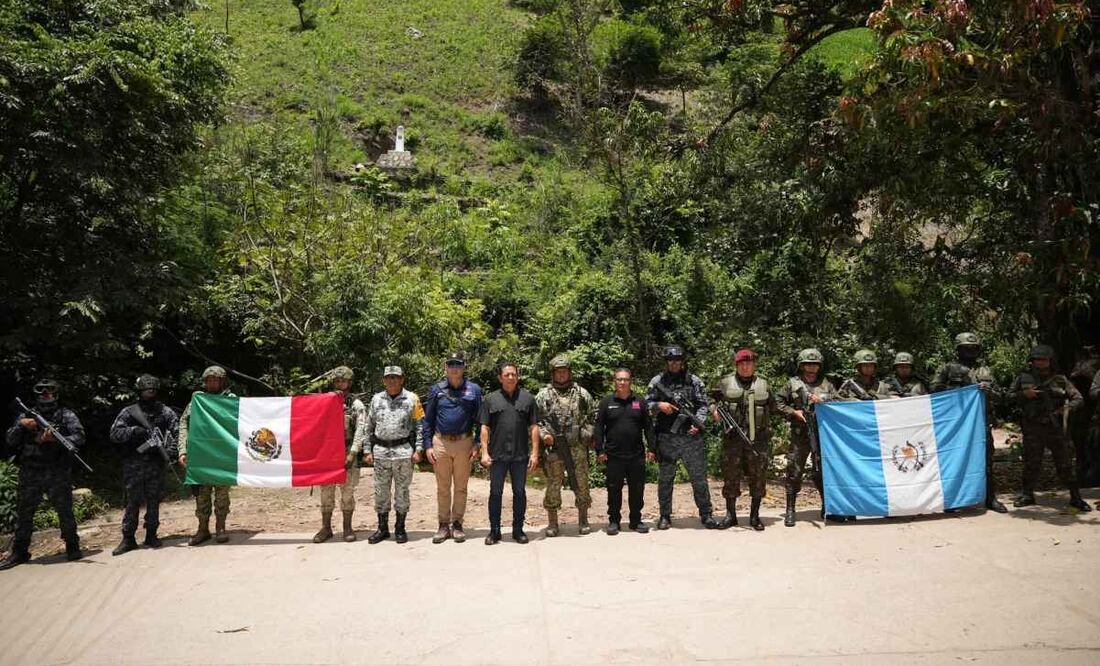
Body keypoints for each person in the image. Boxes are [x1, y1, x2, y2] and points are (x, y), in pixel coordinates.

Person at [0, 380, 85, 570]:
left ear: (56, 394)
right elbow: (10, 440)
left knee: (65, 511)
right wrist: (22, 425)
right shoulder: (25, 416)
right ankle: (19, 552)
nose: (46, 395)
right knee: (24, 513)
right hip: (31, 471)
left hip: (57, 470)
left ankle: (72, 546)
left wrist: (53, 438)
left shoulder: (66, 415)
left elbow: (79, 437)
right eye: (42, 392)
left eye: (50, 392)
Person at [930, 332, 1008, 513]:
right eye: (966, 348)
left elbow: (1001, 397)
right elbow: (934, 390)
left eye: (973, 348)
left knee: (986, 462)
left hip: (981, 423)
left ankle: (990, 498)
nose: (970, 351)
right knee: (954, 461)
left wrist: (989, 391)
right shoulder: (947, 369)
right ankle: (953, 500)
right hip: (956, 425)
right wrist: (961, 389)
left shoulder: (985, 371)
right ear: (958, 350)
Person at [646, 345, 720, 530]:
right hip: (666, 437)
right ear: (666, 362)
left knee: (699, 478)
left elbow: (703, 404)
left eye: (678, 360)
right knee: (665, 479)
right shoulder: (657, 381)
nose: (674, 363)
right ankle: (664, 515)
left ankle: (706, 514)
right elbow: (645, 404)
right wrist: (659, 405)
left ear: (682, 362)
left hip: (691, 437)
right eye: (671, 360)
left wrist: (698, 423)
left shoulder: (693, 381)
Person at [1010, 345, 1091, 512]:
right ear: (1032, 361)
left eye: (1044, 359)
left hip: (1056, 428)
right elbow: (1007, 397)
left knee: (1065, 464)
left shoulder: (1060, 380)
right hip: (1033, 428)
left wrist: (1065, 409)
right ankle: (1027, 494)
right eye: (1037, 359)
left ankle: (1075, 497)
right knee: (1031, 463)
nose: (1040, 362)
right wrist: (1024, 395)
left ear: (1050, 361)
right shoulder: (1023, 378)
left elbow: (1078, 398)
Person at [108, 374, 180, 555]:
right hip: (134, 463)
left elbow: (178, 432)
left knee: (154, 500)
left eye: (153, 391)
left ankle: (151, 534)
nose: (150, 393)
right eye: (147, 391)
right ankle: (128, 538)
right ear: (139, 392)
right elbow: (114, 434)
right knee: (132, 501)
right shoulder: (129, 412)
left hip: (155, 463)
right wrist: (134, 431)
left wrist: (171, 450)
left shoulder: (165, 412)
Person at [356, 365, 424, 544]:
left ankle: (400, 528)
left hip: (403, 451)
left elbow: (420, 426)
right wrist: (367, 450)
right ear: (384, 380)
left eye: (395, 377)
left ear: (402, 379)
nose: (392, 381)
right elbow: (368, 427)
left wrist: (419, 449)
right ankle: (382, 528)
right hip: (381, 452)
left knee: (402, 491)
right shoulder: (376, 399)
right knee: (381, 492)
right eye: (388, 378)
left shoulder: (412, 399)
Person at [423, 352, 483, 544]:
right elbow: (428, 420)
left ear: (464, 367)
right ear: (445, 367)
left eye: (458, 364)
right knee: (443, 487)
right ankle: (443, 525)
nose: (454, 368)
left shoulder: (474, 390)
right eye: (451, 364)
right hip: (440, 442)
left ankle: (457, 524)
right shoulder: (436, 390)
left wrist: (477, 443)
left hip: (465, 442)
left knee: (461, 487)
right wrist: (427, 445)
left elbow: (481, 420)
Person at [711, 349, 775, 531]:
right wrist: (713, 410)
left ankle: (754, 516)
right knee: (731, 476)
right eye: (742, 364)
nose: (745, 367)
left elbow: (775, 406)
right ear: (736, 365)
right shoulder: (725, 382)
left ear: (754, 365)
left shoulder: (764, 384)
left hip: (758, 440)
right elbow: (709, 398)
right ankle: (730, 516)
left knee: (758, 477)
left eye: (749, 363)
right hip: (733, 439)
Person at [535, 355, 595, 537]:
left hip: (577, 447)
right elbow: (535, 421)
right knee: (554, 484)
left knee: (581, 482)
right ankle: (553, 522)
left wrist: (587, 433)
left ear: (570, 372)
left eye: (564, 371)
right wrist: (544, 435)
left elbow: (593, 416)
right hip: (554, 447)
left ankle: (583, 519)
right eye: (558, 372)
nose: (561, 375)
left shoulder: (581, 394)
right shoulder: (543, 395)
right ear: (553, 373)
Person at [479, 363, 539, 545]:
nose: (511, 377)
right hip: (497, 456)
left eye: (514, 374)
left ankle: (518, 530)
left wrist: (535, 453)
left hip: (520, 456)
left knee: (519, 492)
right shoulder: (490, 399)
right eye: (507, 375)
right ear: (500, 378)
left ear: (518, 377)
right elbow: (484, 427)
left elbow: (534, 427)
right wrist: (484, 452)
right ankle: (494, 531)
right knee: (495, 493)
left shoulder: (528, 399)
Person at [776, 348, 835, 526]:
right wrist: (793, 412)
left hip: (822, 433)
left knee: (823, 471)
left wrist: (824, 401)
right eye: (808, 364)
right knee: (794, 471)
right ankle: (790, 509)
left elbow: (839, 402)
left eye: (815, 364)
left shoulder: (826, 384)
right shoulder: (792, 384)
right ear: (801, 366)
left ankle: (827, 506)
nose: (811, 368)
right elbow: (777, 402)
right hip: (800, 434)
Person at [594, 367, 657, 535]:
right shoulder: (606, 402)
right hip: (613, 455)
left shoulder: (640, 402)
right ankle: (614, 521)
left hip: (636, 455)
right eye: (619, 379)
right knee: (614, 490)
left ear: (631, 382)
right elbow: (598, 428)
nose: (622, 382)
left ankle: (636, 520)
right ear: (614, 381)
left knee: (637, 490)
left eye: (626, 379)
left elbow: (648, 427)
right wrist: (599, 450)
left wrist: (652, 448)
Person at [178, 365, 236, 544]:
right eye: (208, 380)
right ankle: (202, 529)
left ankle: (220, 527)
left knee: (221, 494)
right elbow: (184, 423)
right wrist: (183, 449)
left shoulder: (230, 400)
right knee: (201, 494)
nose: (211, 383)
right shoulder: (198, 400)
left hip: (222, 454)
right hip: (201, 454)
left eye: (215, 380)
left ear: (222, 381)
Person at [313, 366, 366, 543]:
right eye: (337, 381)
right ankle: (326, 528)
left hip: (347, 452)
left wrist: (353, 453)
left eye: (343, 381)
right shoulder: (325, 402)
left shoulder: (356, 405)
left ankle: (347, 527)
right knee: (326, 492)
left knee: (347, 492)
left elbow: (361, 430)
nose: (340, 383)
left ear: (349, 383)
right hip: (327, 454)